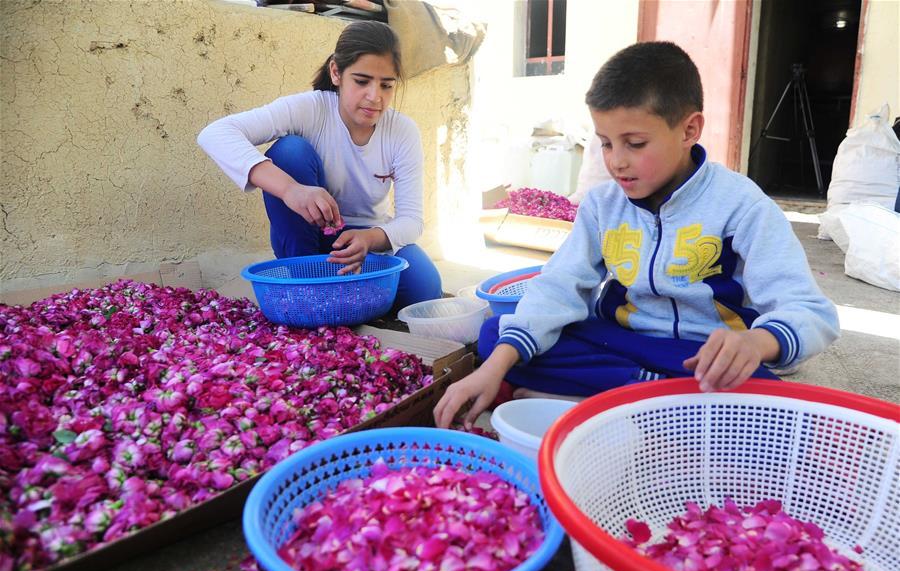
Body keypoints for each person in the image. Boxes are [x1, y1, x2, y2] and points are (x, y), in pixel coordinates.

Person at [435, 41, 839, 429]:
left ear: (689, 129)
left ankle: (603, 401)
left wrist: (756, 343)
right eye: (606, 144)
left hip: (702, 360)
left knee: (779, 413)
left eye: (635, 143)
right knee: (496, 335)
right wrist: (496, 365)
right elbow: (559, 287)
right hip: (622, 344)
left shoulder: (742, 206)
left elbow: (811, 313)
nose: (617, 162)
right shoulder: (602, 206)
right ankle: (654, 402)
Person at [197, 21, 442, 308]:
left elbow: (411, 221)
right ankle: (306, 283)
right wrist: (291, 190)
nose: (375, 97)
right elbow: (215, 134)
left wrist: (372, 238)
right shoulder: (310, 110)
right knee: (290, 152)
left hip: (364, 243)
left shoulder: (402, 131)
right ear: (336, 72)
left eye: (387, 85)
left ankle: (339, 293)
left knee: (425, 291)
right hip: (311, 239)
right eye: (362, 81)